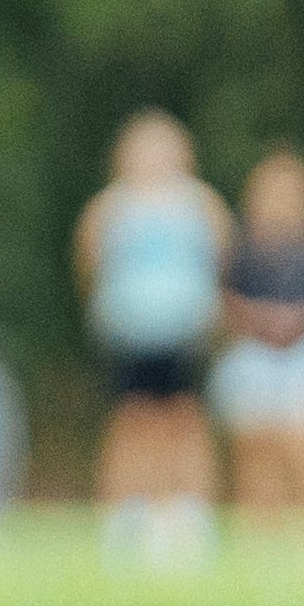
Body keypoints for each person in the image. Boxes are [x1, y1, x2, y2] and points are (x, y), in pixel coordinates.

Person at [77, 109, 232, 567]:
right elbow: (89, 264)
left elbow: (221, 262)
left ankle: (190, 516)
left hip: (184, 334)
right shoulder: (110, 208)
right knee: (132, 422)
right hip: (131, 336)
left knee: (185, 421)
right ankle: (125, 517)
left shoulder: (201, 204)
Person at [214, 147, 304, 522]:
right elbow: (226, 305)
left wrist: (289, 322)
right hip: (255, 358)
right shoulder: (242, 253)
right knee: (256, 456)